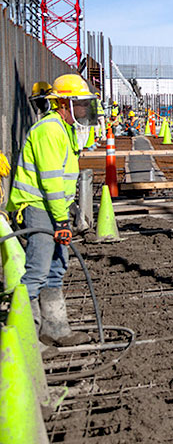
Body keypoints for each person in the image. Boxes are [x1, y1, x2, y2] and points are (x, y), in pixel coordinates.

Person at [7, 74, 94, 346]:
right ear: (64, 103)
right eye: (79, 105)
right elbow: (51, 182)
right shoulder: (49, 130)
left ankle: (55, 329)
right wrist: (61, 222)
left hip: (52, 209)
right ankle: (27, 341)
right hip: (39, 209)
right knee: (37, 271)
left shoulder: (63, 129)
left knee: (57, 267)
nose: (84, 110)